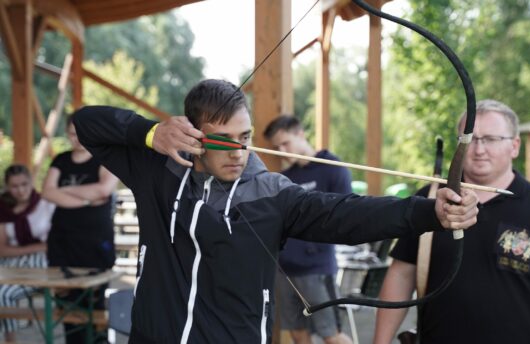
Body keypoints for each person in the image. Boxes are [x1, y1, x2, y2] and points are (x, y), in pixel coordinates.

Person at [71, 79, 478, 343]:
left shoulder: (271, 193)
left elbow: (346, 215)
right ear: (195, 138)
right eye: (224, 139)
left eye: (244, 136)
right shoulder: (158, 171)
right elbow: (86, 122)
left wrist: (430, 213)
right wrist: (150, 131)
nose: (239, 150)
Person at [373, 99, 530, 344]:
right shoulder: (430, 201)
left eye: (491, 139)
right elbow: (401, 275)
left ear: (515, 146)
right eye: (470, 139)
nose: (479, 149)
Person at [264, 115, 353, 344]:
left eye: (285, 143)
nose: (282, 151)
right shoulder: (286, 178)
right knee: (297, 333)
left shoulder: (333, 169)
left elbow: (345, 217)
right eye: (277, 147)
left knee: (332, 335)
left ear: (300, 134)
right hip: (284, 271)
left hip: (317, 269)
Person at [41, 115, 119, 344]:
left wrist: (65, 192)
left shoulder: (105, 157)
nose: (77, 139)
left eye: (81, 134)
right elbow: (47, 192)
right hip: (63, 241)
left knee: (93, 302)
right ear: (67, 134)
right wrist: (86, 198)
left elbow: (104, 190)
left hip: (95, 242)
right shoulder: (61, 160)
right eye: (72, 134)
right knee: (66, 302)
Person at [0, 165, 55, 343]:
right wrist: (37, 246)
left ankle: (10, 340)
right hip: (9, 261)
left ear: (32, 182)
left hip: (40, 263)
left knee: (3, 294)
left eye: (24, 184)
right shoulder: (3, 209)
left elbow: (53, 244)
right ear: (7, 187)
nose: (21, 190)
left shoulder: (46, 204)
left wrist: (20, 250)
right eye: (15, 186)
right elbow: (2, 249)